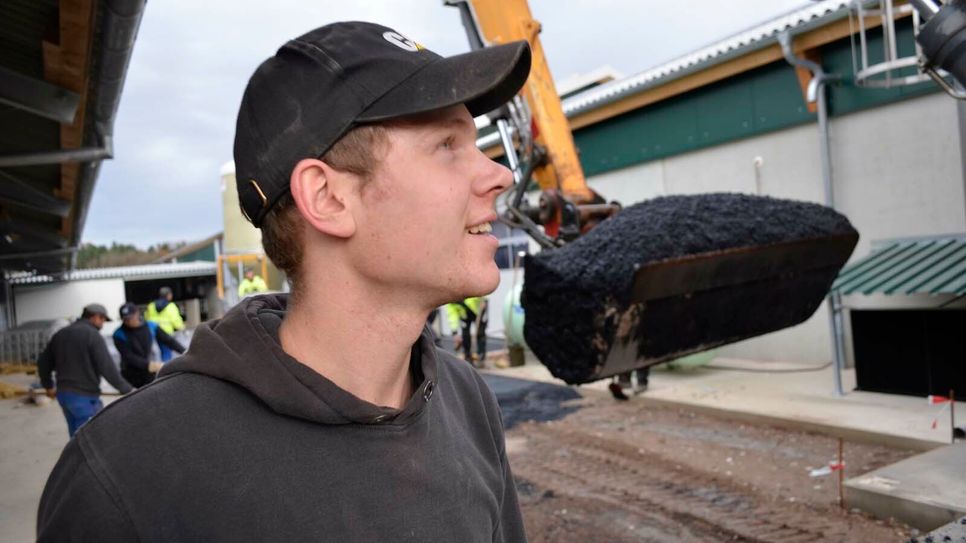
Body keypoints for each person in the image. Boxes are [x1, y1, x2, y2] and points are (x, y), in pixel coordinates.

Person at [38, 21, 531, 541]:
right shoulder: (130, 473)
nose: (499, 175)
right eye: (448, 145)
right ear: (327, 198)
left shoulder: (468, 401)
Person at [36, 303, 133, 437]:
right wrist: (127, 390)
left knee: (76, 437)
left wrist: (48, 386)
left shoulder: (60, 334)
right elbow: (106, 367)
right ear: (94, 317)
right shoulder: (92, 335)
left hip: (64, 395)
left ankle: (75, 458)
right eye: (102, 319)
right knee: (92, 438)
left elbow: (43, 363)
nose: (102, 324)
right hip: (84, 397)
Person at [113, 302, 186, 388]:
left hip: (147, 373)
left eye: (130, 318)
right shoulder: (119, 334)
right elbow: (128, 356)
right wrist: (150, 365)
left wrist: (185, 352)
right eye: (125, 320)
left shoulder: (150, 326)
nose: (128, 322)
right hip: (130, 374)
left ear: (137, 313)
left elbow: (169, 341)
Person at [144, 286, 184, 361]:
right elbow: (175, 320)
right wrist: (181, 327)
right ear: (168, 295)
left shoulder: (151, 306)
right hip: (167, 333)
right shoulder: (171, 306)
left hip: (154, 332)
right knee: (167, 352)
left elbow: (146, 318)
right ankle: (166, 369)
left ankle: (161, 367)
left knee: (160, 351)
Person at [445, 296, 489, 364]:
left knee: (480, 332)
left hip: (479, 309)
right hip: (464, 314)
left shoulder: (466, 289)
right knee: (465, 335)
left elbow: (482, 289)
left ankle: (481, 355)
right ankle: (468, 356)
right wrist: (455, 332)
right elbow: (452, 316)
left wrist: (484, 300)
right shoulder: (450, 301)